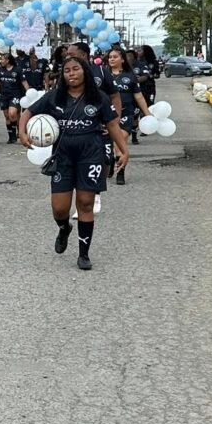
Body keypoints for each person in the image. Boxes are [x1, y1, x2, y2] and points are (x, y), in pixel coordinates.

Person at [19, 56, 129, 271]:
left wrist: (123, 150)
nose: (71, 73)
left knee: (86, 203)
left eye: (76, 69)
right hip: (63, 156)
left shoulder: (99, 98)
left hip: (91, 154)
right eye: (67, 70)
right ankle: (64, 228)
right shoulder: (54, 97)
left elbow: (112, 125)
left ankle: (83, 254)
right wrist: (22, 132)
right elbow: (28, 112)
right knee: (60, 209)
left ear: (84, 71)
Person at [65, 42, 122, 214]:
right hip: (76, 128)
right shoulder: (68, 74)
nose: (67, 57)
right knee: (77, 164)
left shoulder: (101, 72)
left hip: (100, 127)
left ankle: (96, 193)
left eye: (71, 53)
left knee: (103, 160)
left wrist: (114, 121)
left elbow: (115, 96)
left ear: (83, 55)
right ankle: (84, 199)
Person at [107, 48, 151, 185]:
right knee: (110, 145)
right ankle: (111, 160)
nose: (112, 59)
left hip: (126, 114)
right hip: (108, 115)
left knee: (120, 142)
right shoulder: (104, 75)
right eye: (110, 57)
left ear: (122, 59)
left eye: (115, 57)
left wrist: (148, 114)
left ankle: (121, 172)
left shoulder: (130, 76)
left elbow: (138, 96)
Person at [0, 52, 30, 144]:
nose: (1, 61)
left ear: (8, 60)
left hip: (15, 95)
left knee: (12, 113)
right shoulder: (0, 70)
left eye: (2, 59)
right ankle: (11, 137)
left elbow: (24, 82)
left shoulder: (18, 70)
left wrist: (29, 93)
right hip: (3, 95)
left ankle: (15, 133)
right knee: (7, 117)